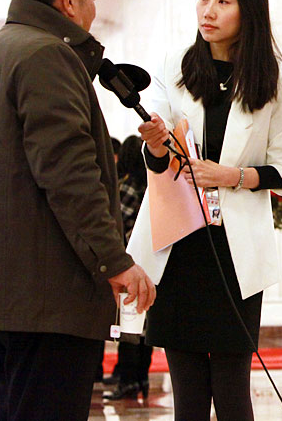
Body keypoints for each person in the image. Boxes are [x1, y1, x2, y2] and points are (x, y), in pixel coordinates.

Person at [0, 0, 156, 421]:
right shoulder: (46, 56)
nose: (95, 8)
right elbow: (69, 175)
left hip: (8, 292)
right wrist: (114, 260)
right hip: (45, 294)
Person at [128, 0, 282, 421]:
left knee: (231, 390)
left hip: (235, 249)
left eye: (223, 1)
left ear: (249, 10)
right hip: (181, 243)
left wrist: (233, 177)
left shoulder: (276, 80)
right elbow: (158, 161)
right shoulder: (175, 66)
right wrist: (157, 146)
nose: (208, 11)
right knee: (186, 393)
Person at [104, 135, 154, 400]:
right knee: (146, 326)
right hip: (151, 262)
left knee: (129, 325)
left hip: (129, 263)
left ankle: (127, 381)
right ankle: (142, 378)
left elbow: (116, 223)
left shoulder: (128, 187)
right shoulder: (152, 186)